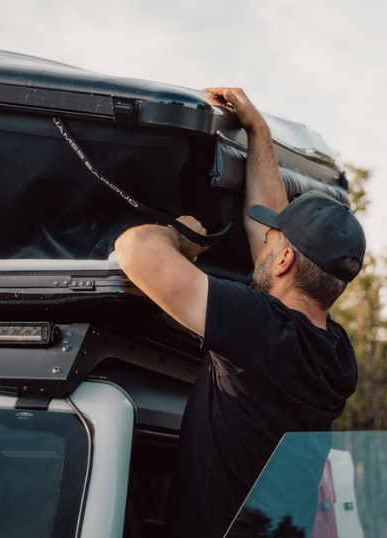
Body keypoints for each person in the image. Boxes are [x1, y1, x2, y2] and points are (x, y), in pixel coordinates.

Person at [113, 87, 365, 538]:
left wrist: (183, 238)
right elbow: (269, 241)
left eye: (273, 241)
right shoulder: (335, 354)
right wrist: (257, 131)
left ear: (285, 261)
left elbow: (135, 251)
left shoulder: (261, 330)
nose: (262, 241)